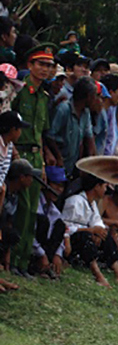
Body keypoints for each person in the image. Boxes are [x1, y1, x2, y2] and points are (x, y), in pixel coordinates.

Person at [9, 42, 59, 275]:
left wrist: (44, 162)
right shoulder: (19, 91)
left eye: (49, 65)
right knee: (20, 209)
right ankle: (11, 259)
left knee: (32, 212)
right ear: (30, 65)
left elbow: (41, 132)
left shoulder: (44, 96)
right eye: (41, 64)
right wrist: (14, 153)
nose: (45, 69)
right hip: (18, 151)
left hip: (36, 156)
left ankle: (23, 262)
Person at [62, 172, 118, 287]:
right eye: (104, 186)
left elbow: (97, 222)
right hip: (72, 240)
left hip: (88, 234)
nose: (105, 190)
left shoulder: (92, 203)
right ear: (97, 186)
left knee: (106, 236)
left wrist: (99, 232)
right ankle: (97, 274)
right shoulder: (75, 201)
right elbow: (66, 227)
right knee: (85, 238)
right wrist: (90, 230)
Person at [49, 75, 98, 178]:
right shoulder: (63, 109)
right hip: (59, 163)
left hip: (72, 165)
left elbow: (89, 138)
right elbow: (50, 136)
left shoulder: (86, 113)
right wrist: (58, 157)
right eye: (95, 95)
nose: (96, 99)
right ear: (88, 96)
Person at [32, 164, 69, 279]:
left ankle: (48, 266)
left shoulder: (55, 211)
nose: (59, 189)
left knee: (60, 226)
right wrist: (41, 254)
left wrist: (58, 254)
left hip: (45, 248)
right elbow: (30, 232)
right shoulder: (35, 203)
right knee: (43, 222)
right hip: (32, 249)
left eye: (61, 186)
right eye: (56, 185)